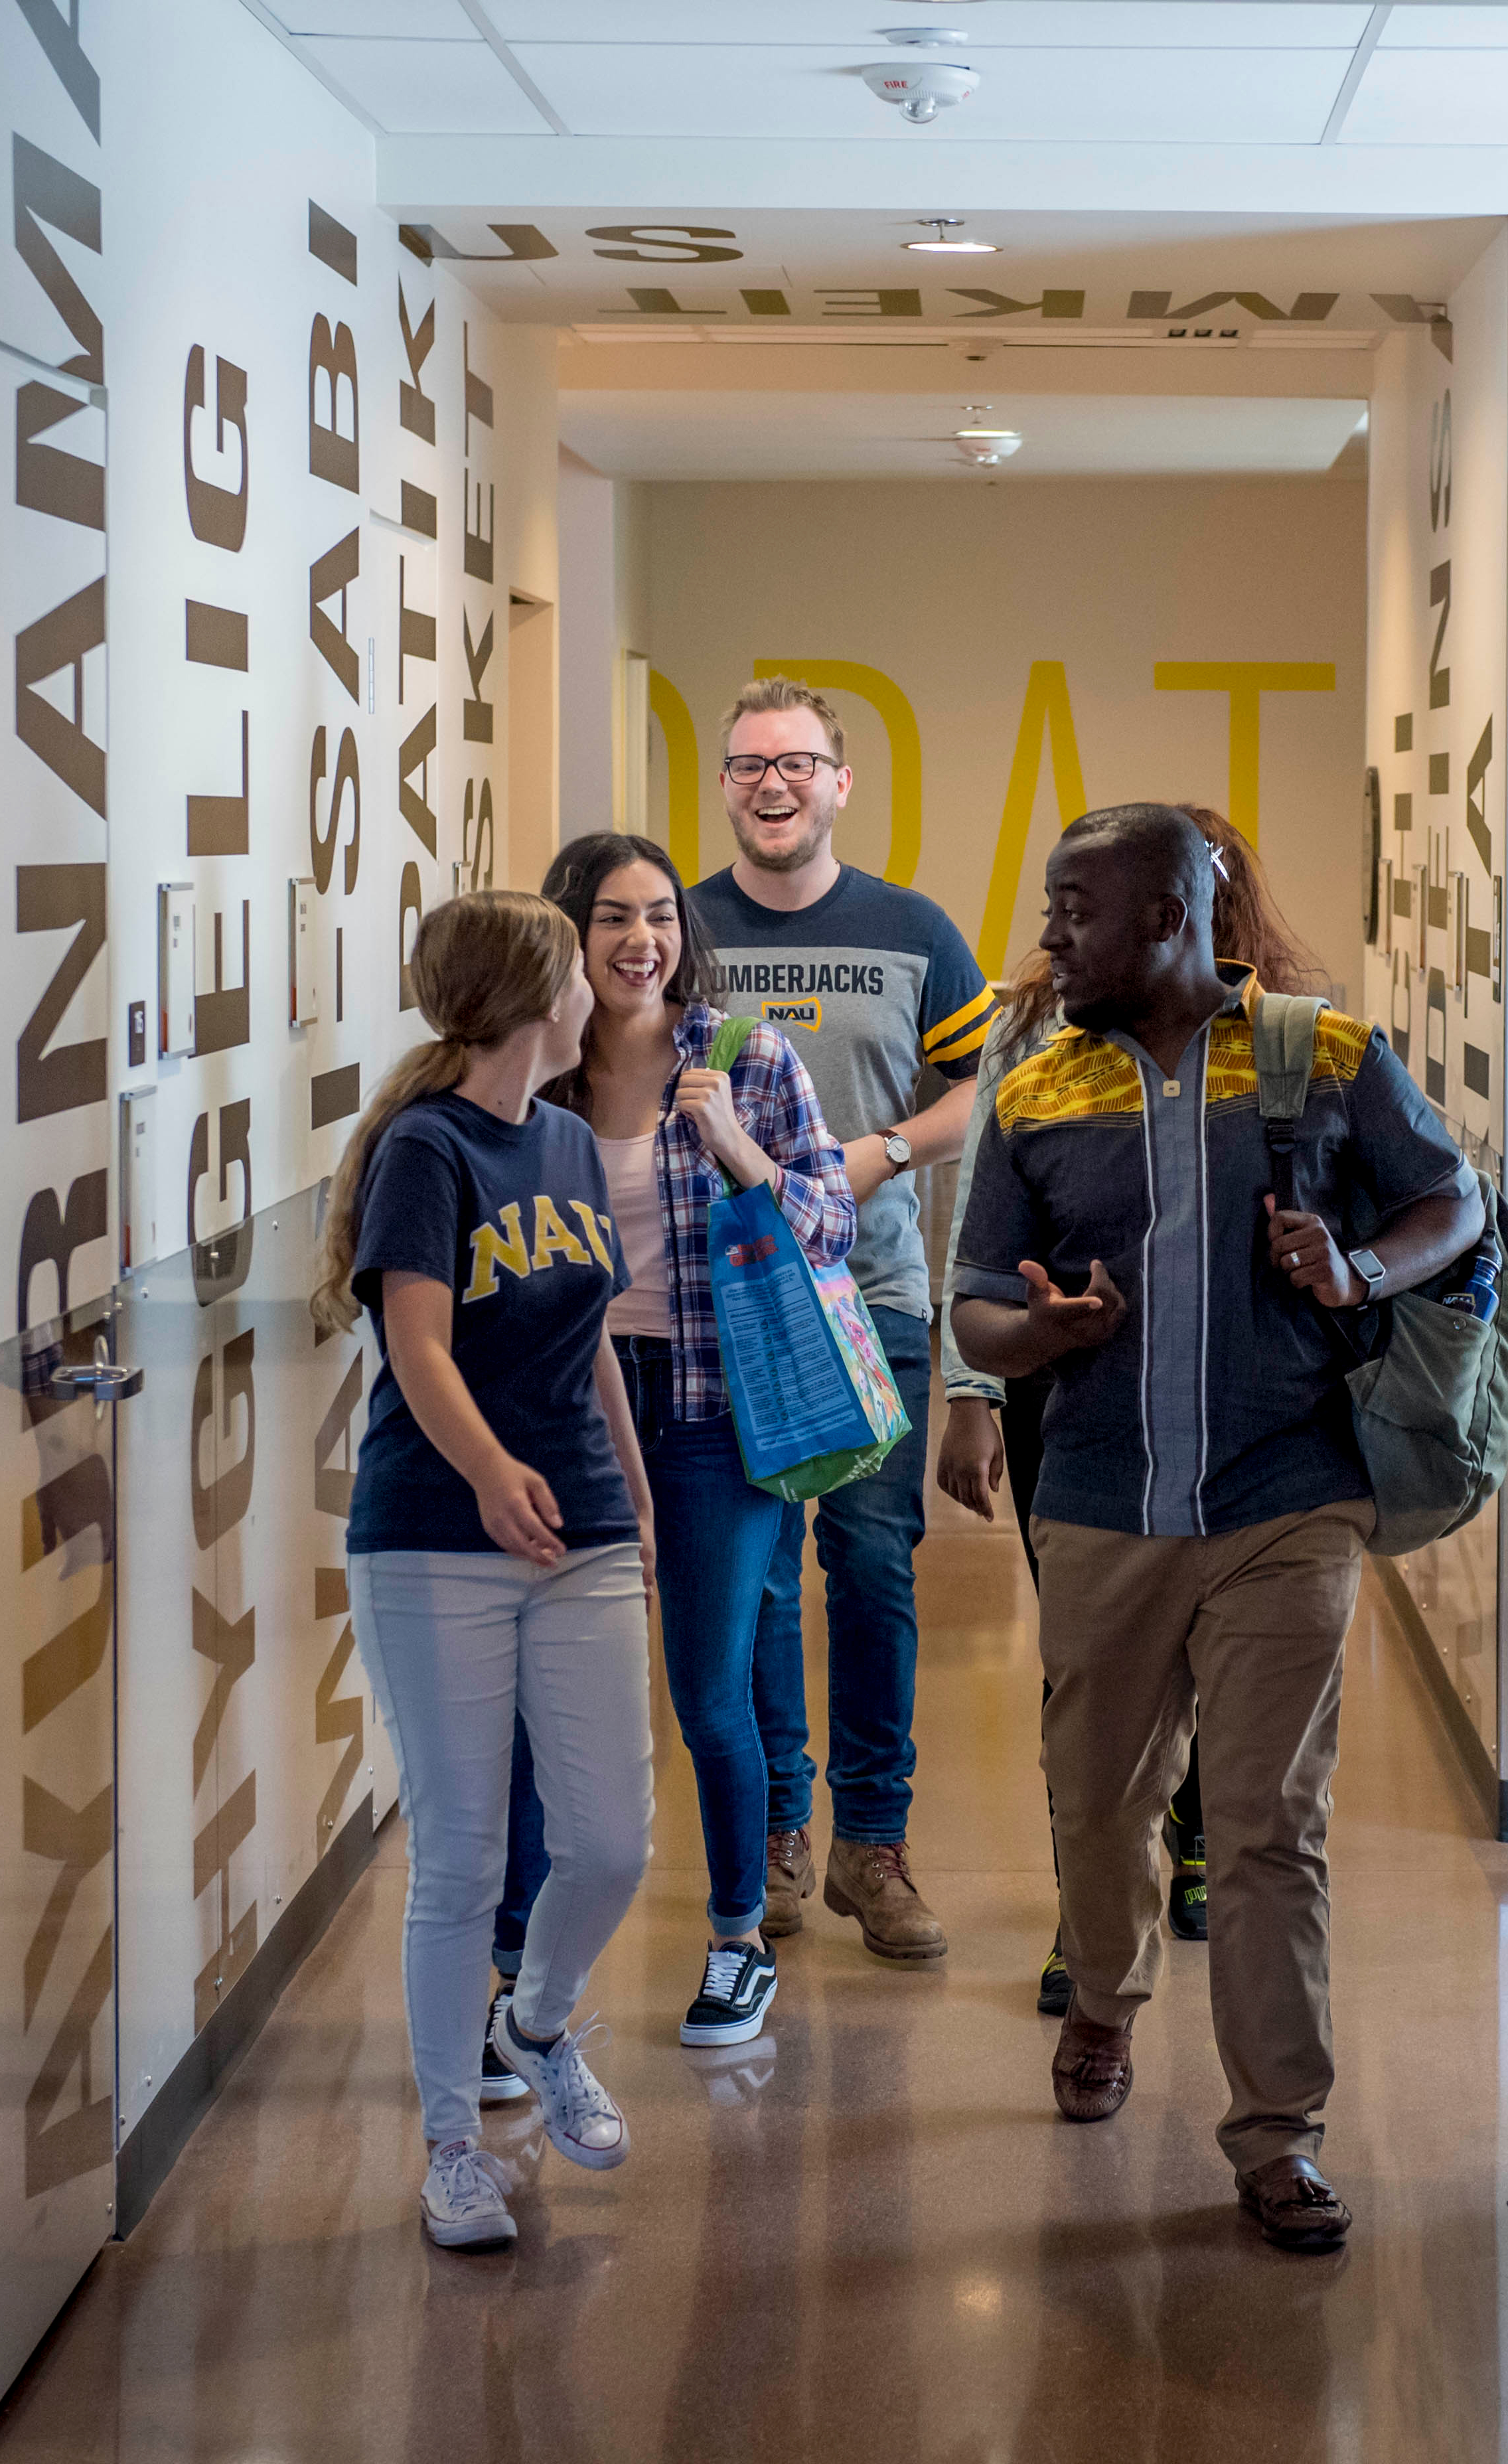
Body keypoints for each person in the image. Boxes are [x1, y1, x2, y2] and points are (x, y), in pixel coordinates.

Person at [951, 803, 1483, 2256]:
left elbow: (1456, 1198)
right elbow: (976, 1306)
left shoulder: (1324, 1054)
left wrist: (1359, 1263)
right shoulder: (1034, 1091)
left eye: (1077, 909)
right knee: (1104, 1802)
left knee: (1265, 1828)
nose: (1050, 935)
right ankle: (1108, 2001)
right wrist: (1037, 1330)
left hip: (1285, 1500)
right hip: (1102, 1504)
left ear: (1171, 920)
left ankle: (1278, 2133)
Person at [937, 809, 1331, 2016]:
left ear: (1198, 908)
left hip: (1257, 1424)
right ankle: (1093, 1918)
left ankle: (1205, 1839)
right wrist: (973, 1391)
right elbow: (981, 1244)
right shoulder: (1035, 1030)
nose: (1063, 930)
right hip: (1080, 1401)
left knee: (1235, 1673)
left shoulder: (1292, 1037)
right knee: (1096, 1690)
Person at [317, 889, 658, 2254]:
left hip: (579, 1524)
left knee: (612, 1838)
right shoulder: (428, 1144)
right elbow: (418, 1343)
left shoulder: (570, 1138)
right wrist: (486, 1469)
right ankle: (454, 2142)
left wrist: (624, 1480)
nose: (600, 985)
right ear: (538, 995)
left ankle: (540, 2015)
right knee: (460, 1853)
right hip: (435, 1530)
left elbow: (589, 1336)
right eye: (581, 967)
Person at [691, 678, 993, 1963]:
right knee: (754, 1583)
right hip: (723, 1309)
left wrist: (877, 1153)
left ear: (840, 782)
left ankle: (875, 1844)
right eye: (751, 765)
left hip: (868, 1297)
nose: (773, 785)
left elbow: (975, 1094)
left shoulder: (913, 928)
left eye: (797, 764)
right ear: (727, 783)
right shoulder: (679, 923)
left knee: (870, 1568)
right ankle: (774, 1837)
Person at [536, 830, 854, 2048]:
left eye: (660, 915)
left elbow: (829, 1225)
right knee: (551, 1692)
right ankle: (521, 1954)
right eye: (612, 917)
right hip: (567, 1408)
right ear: (570, 932)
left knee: (709, 1690)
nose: (641, 941)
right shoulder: (540, 1069)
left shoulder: (747, 1056)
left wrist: (738, 1150)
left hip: (718, 1409)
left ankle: (737, 1940)